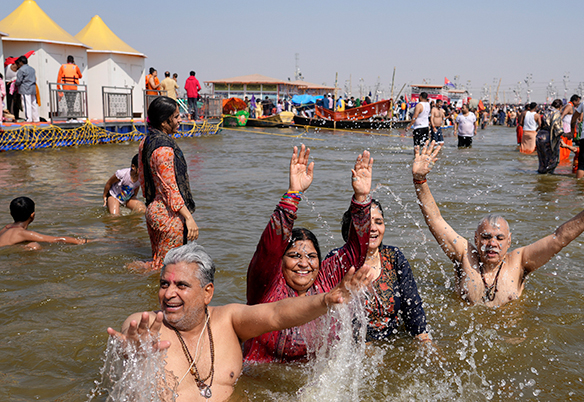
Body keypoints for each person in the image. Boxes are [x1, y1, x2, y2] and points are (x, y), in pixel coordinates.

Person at [107, 243, 375, 401]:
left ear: (207, 292)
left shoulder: (229, 320)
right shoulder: (147, 326)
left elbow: (277, 314)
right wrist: (131, 353)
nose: (169, 293)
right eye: (164, 284)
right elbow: (130, 336)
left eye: (181, 285)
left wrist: (326, 300)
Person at [411, 141, 584, 307]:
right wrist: (420, 180)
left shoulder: (519, 263)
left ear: (509, 242)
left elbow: (559, 239)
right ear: (476, 238)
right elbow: (435, 220)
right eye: (486, 237)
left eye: (500, 238)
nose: (492, 243)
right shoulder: (465, 254)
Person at [244, 144, 372, 363]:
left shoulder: (325, 280)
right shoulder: (267, 285)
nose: (305, 263)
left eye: (312, 257)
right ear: (279, 262)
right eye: (295, 256)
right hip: (261, 379)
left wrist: (361, 199)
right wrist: (293, 194)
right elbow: (269, 249)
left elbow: (355, 254)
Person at [337, 199, 430, 342]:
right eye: (366, 222)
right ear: (352, 227)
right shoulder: (339, 260)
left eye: (378, 222)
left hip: (392, 339)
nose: (373, 228)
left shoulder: (394, 257)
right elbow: (333, 316)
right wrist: (365, 346)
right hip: (355, 344)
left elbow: (412, 307)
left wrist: (425, 340)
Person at [138, 97, 198, 270]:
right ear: (165, 122)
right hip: (168, 216)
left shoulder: (146, 141)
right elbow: (171, 190)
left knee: (158, 263)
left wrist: (151, 206)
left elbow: (143, 178)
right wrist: (189, 218)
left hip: (153, 209)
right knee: (169, 270)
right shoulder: (164, 150)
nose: (180, 120)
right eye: (176, 117)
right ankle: (126, 273)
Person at [0, 197, 87, 249]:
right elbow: (59, 239)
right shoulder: (23, 233)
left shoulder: (7, 227)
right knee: (34, 246)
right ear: (32, 215)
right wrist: (86, 241)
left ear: (11, 214)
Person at [536, 99, 564, 174]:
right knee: (552, 159)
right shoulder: (556, 112)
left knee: (542, 159)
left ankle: (541, 177)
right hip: (549, 137)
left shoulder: (546, 111)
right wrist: (563, 133)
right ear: (560, 106)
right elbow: (555, 125)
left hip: (540, 136)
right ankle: (549, 178)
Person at [14, 56, 38, 123]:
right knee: (33, 103)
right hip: (32, 88)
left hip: (25, 88)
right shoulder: (32, 69)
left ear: (21, 62)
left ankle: (28, 118)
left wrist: (15, 84)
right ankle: (36, 118)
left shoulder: (21, 70)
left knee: (26, 104)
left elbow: (18, 81)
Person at [559, 95, 581, 165]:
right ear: (574, 101)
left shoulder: (569, 106)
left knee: (566, 149)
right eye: (578, 101)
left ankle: (564, 162)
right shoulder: (569, 106)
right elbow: (562, 116)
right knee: (564, 149)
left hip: (567, 130)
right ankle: (562, 163)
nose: (578, 103)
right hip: (565, 131)